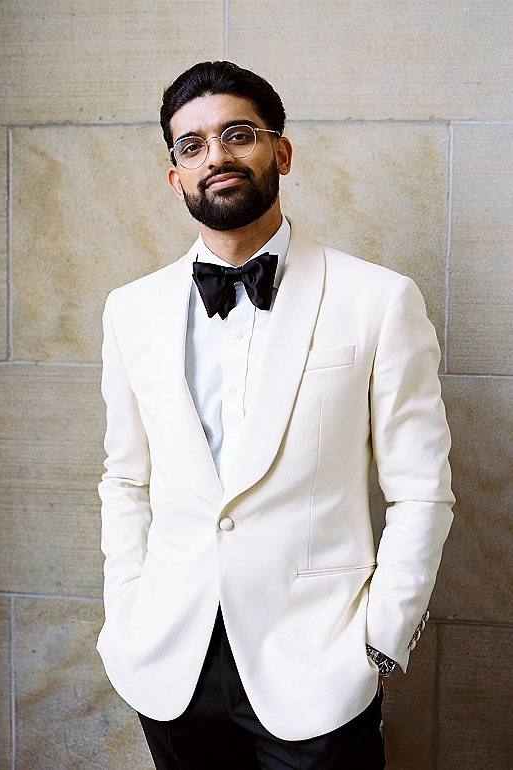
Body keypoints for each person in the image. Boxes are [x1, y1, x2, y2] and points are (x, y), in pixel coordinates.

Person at [97, 61, 454, 770]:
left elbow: (421, 491)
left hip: (318, 669)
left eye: (238, 135)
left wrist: (381, 643)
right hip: (170, 664)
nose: (216, 157)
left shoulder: (378, 300)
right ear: (175, 176)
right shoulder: (130, 310)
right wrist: (127, 613)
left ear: (280, 152)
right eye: (192, 145)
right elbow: (125, 480)